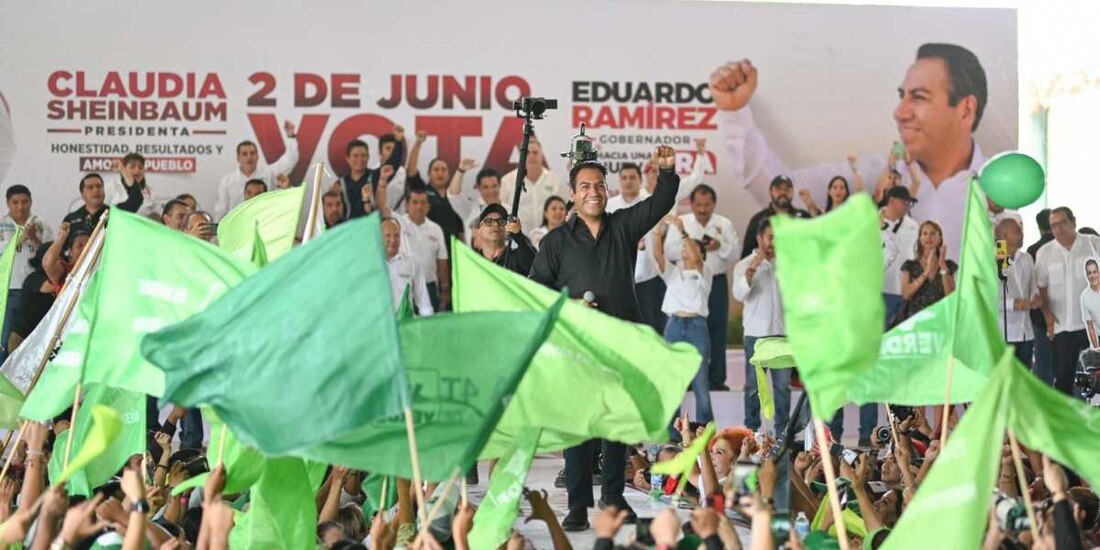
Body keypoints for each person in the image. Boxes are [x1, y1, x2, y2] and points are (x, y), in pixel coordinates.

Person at [711, 43, 989, 260]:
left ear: (965, 110)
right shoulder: (870, 176)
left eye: (918, 97)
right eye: (902, 96)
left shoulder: (998, 190)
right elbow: (777, 187)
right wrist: (735, 114)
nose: (899, 113)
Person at [529, 145, 681, 531]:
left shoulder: (624, 227)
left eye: (598, 185)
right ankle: (578, 505)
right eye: (584, 186)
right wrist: (572, 305)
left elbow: (662, 200)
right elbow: (538, 293)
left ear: (606, 190)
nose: (593, 192)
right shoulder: (556, 242)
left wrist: (666, 171)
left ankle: (613, 500)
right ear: (574, 194)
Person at [664, 184, 738, 391]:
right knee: (688, 332)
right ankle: (688, 379)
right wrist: (691, 250)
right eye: (698, 205)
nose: (703, 209)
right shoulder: (683, 222)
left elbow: (735, 255)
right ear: (692, 204)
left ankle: (716, 379)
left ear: (714, 204)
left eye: (707, 205)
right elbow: (669, 251)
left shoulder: (724, 224)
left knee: (717, 328)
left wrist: (719, 246)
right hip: (688, 283)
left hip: (717, 280)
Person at [653, 214, 714, 427]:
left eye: (689, 248)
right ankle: (673, 434)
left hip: (696, 326)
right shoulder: (673, 274)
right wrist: (657, 233)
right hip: (674, 326)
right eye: (684, 248)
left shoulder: (704, 272)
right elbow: (658, 255)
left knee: (701, 386)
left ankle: (706, 435)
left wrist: (681, 230)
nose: (685, 251)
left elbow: (696, 259)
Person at [732, 218, 791, 436]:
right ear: (759, 238)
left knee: (782, 388)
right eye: (770, 237)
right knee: (753, 387)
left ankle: (783, 432)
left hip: (782, 335)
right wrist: (751, 270)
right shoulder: (744, 265)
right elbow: (739, 295)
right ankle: (752, 432)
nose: (774, 242)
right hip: (756, 336)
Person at [1036, 207, 1100, 396]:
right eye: (1053, 225)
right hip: (1062, 326)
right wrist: (1047, 315)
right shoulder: (1044, 253)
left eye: (1062, 223)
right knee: (1063, 379)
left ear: (1073, 222)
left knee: (1096, 379)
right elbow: (1041, 287)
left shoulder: (1093, 245)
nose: (1058, 229)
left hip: (1093, 325)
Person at [606, 162, 667, 337]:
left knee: (651, 330)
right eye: (624, 178)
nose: (628, 182)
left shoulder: (652, 203)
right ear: (619, 181)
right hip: (619, 278)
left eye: (632, 177)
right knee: (621, 330)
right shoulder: (609, 206)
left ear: (640, 180)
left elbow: (662, 234)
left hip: (649, 278)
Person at [0, 185, 51, 360]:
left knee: (33, 337)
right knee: (5, 338)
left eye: (24, 202)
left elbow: (50, 253)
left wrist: (36, 239)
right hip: (9, 290)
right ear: (7, 203)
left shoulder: (41, 224)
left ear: (31, 201)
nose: (20, 206)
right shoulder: (1, 225)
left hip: (35, 292)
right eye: (15, 202)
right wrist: (20, 240)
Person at [380, 187, 449, 311]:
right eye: (415, 202)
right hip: (402, 288)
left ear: (428, 206)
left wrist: (444, 288)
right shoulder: (398, 222)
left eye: (423, 203)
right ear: (407, 205)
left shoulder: (436, 229)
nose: (419, 207)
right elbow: (382, 206)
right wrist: (382, 183)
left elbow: (442, 261)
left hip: (430, 286)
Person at [214, 120, 298, 220]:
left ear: (257, 156)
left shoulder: (269, 173)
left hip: (263, 225)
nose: (249, 157)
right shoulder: (227, 181)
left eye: (252, 153)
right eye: (245, 154)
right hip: (236, 228)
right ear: (238, 158)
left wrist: (291, 137)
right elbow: (221, 211)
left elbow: (288, 161)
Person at [405, 131, 466, 251]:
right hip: (428, 248)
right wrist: (418, 143)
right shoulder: (422, 191)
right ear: (428, 174)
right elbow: (411, 170)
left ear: (449, 175)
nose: (440, 173)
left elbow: (460, 230)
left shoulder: (454, 198)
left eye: (443, 170)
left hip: (452, 250)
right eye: (436, 169)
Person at [332, 130, 408, 221]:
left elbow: (393, 164)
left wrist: (398, 141)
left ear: (368, 157)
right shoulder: (339, 184)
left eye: (363, 155)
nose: (360, 159)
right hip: (350, 231)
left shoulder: (375, 176)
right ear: (347, 158)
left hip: (371, 229)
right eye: (355, 156)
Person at [499, 138, 567, 234]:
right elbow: (501, 212)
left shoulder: (555, 181)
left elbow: (565, 209)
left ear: (541, 155)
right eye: (527, 153)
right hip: (518, 239)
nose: (531, 156)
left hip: (549, 239)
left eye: (535, 153)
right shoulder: (507, 181)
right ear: (520, 156)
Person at [996, 218, 1038, 368]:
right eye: (1017, 231)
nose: (1022, 234)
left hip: (1026, 332)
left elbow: (1033, 287)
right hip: (1003, 334)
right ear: (1005, 236)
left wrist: (1036, 297)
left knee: (1024, 380)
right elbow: (988, 298)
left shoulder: (1026, 258)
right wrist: (1013, 304)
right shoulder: (995, 258)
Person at [898, 220, 956, 322]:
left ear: (940, 238)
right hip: (915, 322)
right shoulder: (910, 265)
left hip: (940, 320)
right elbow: (906, 294)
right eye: (925, 234)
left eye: (933, 233)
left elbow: (951, 296)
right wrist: (925, 273)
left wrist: (942, 266)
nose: (928, 237)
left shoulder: (949, 265)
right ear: (920, 239)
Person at [741, 175, 810, 259]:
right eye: (778, 189)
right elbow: (747, 255)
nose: (783, 193)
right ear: (770, 192)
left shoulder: (804, 217)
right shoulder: (758, 220)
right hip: (768, 270)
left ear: (792, 192)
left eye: (787, 189)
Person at [880, 186, 920, 323]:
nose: (907, 207)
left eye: (910, 203)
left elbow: (917, 253)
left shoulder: (913, 225)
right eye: (905, 202)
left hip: (905, 291)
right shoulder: (871, 222)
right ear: (891, 200)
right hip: (880, 290)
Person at [382, 217, 432, 316]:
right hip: (379, 327)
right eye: (388, 236)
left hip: (406, 324)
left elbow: (423, 301)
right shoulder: (368, 265)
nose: (393, 240)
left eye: (396, 236)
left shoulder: (412, 263)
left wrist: (428, 327)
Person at [1028, 208, 1055, 385]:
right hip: (1054, 315)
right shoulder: (1059, 247)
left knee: (1043, 367)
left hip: (1036, 318)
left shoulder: (1031, 251)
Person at [472, 203, 536, 275]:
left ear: (507, 230)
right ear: (478, 231)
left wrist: (518, 237)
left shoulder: (515, 257)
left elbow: (535, 267)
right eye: (489, 222)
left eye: (501, 222)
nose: (496, 225)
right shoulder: (472, 261)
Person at [448, 161, 502, 240]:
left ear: (500, 185)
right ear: (478, 188)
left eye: (494, 186)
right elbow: (453, 195)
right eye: (485, 187)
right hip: (473, 252)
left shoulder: (510, 210)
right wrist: (460, 170)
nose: (491, 191)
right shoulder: (470, 208)